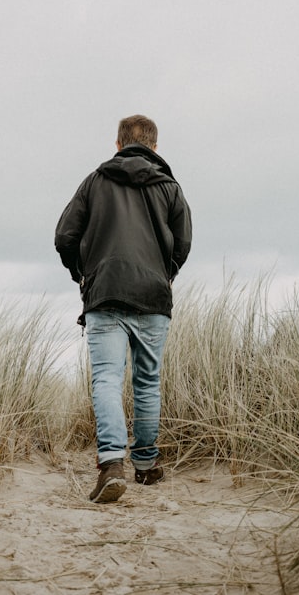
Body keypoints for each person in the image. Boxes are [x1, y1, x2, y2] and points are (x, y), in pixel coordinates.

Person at [54, 115, 192, 503]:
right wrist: (165, 274)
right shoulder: (170, 188)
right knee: (147, 382)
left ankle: (112, 464)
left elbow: (65, 236)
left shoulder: (95, 181)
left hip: (106, 293)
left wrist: (84, 274)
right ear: (155, 147)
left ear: (117, 145)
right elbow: (183, 244)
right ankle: (146, 466)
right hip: (153, 297)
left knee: (107, 380)